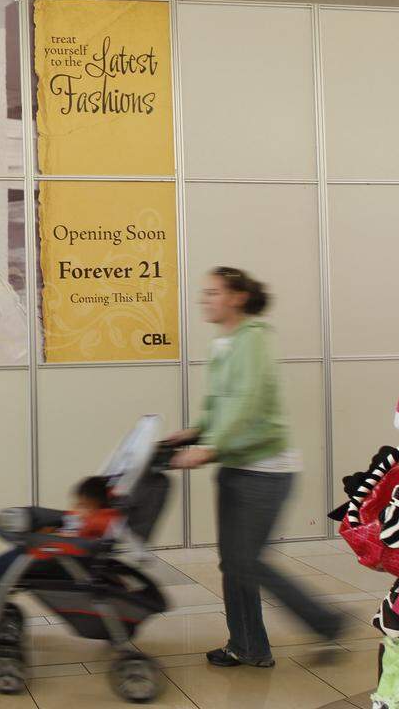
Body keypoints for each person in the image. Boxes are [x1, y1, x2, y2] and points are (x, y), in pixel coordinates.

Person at [165, 266, 343, 668]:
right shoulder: (224, 343)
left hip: (267, 469)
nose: (205, 300)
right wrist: (194, 431)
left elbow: (247, 403)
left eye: (213, 292)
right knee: (234, 563)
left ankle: (326, 621)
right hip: (236, 465)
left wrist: (210, 449)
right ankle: (247, 646)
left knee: (247, 560)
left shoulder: (254, 339)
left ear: (238, 297)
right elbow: (219, 404)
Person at [0, 476, 120, 592]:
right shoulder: (80, 517)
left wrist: (58, 537)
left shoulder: (100, 521)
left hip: (67, 561)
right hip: (53, 550)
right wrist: (52, 531)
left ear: (96, 508)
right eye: (77, 504)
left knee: (20, 557)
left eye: (83, 506)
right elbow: (66, 526)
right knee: (18, 551)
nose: (76, 509)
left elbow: (87, 542)